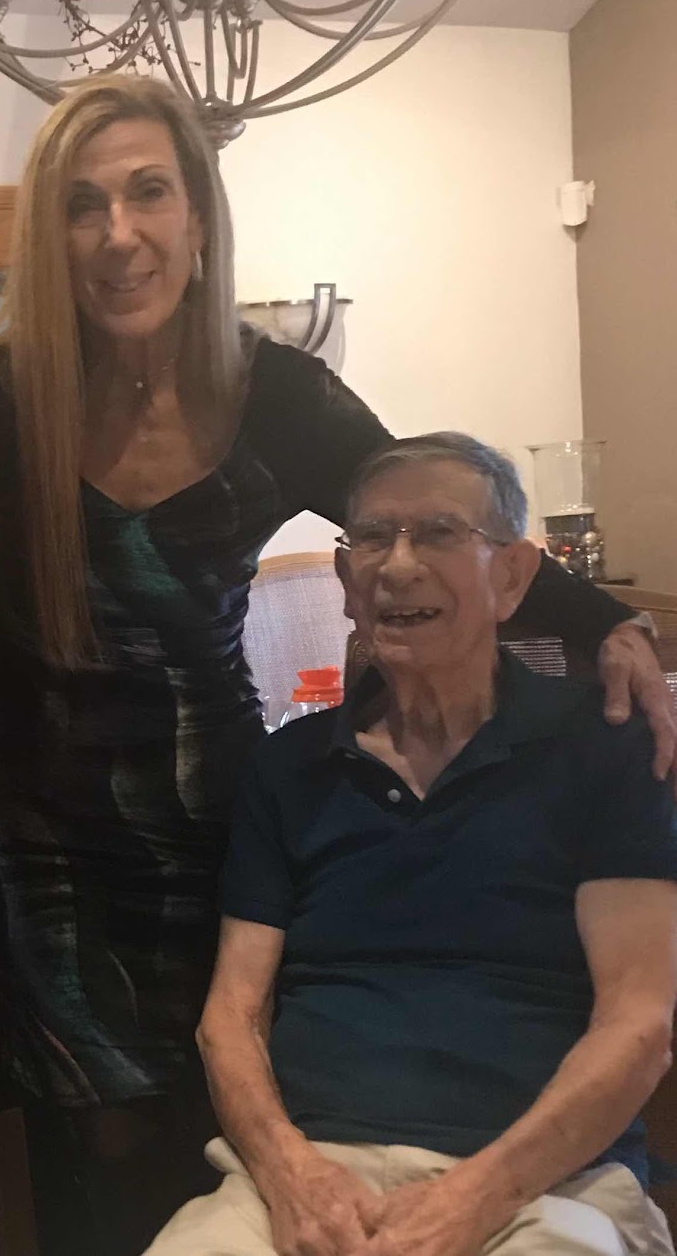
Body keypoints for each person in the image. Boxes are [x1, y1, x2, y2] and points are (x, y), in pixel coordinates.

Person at [0, 75, 676, 1256]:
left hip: (210, 809)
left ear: (199, 218)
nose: (118, 233)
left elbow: (430, 520)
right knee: (93, 1152)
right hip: (47, 839)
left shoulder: (272, 393)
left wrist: (619, 627)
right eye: (83, 205)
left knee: (226, 1106)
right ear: (52, 234)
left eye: (149, 194)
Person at [153, 433, 677, 1256]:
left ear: (513, 576)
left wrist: (474, 1197)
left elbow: (639, 1024)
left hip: (546, 1184)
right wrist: (292, 1174)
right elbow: (232, 1016)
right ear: (346, 579)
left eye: (438, 533)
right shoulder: (288, 767)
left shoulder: (602, 746)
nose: (397, 566)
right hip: (309, 1176)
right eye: (372, 537)